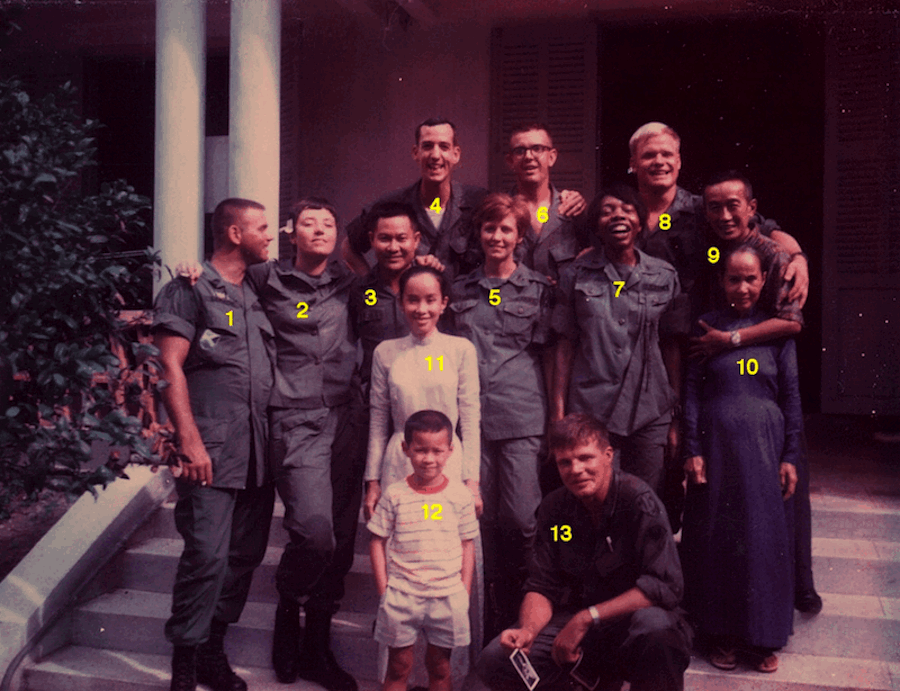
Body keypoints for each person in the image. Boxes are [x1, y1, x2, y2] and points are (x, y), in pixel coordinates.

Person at [153, 198, 277, 691]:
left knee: (244, 557)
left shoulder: (257, 290)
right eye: (262, 227)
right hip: (210, 449)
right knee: (206, 555)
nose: (271, 236)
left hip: (257, 452)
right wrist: (188, 440)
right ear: (233, 233)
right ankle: (184, 665)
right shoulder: (187, 289)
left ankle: (212, 652)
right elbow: (168, 366)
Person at [475, 413, 691, 691]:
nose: (576, 469)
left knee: (656, 630)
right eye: (565, 462)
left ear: (608, 455)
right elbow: (543, 584)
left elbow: (664, 586)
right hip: (579, 624)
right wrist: (527, 631)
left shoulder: (638, 501)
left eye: (585, 458)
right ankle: (593, 683)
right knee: (496, 660)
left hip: (629, 622)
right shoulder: (555, 509)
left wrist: (588, 617)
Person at [247, 198, 359, 691]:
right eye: (309, 223)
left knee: (341, 538)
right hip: (295, 418)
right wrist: (191, 271)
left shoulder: (351, 284)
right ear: (291, 233)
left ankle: (317, 646)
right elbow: (220, 283)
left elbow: (390, 292)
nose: (320, 230)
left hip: (348, 418)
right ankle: (288, 609)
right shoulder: (264, 279)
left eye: (328, 223)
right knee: (315, 533)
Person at [680, 245, 802, 673]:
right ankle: (721, 634)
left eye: (751, 278)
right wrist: (692, 450)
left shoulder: (775, 332)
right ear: (722, 281)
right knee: (718, 538)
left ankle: (763, 636)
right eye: (734, 278)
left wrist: (790, 456)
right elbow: (691, 393)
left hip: (764, 449)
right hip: (716, 448)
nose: (743, 287)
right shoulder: (706, 326)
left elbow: (791, 397)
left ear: (764, 281)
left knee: (762, 539)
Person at [448, 193, 553, 640]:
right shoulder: (460, 290)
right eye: (489, 228)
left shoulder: (540, 289)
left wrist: (555, 418)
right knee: (481, 520)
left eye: (506, 229)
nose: (497, 236)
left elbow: (551, 356)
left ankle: (529, 610)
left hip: (521, 415)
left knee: (521, 519)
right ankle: (489, 615)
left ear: (520, 236)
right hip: (470, 421)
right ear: (479, 233)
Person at [551, 185, 680, 498]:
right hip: (592, 410)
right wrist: (558, 412)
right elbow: (564, 346)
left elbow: (672, 347)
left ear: (640, 222)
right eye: (607, 211)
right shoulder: (576, 274)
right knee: (596, 497)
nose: (618, 216)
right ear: (596, 226)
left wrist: (675, 415)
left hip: (650, 410)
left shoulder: (664, 275)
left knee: (644, 500)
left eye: (627, 210)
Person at [368, 410, 480, 691]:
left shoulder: (460, 496)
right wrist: (384, 591)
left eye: (437, 451)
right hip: (402, 595)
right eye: (420, 450)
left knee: (440, 668)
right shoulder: (395, 494)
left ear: (450, 451)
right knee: (398, 667)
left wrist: (464, 592)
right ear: (405, 449)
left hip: (446, 596)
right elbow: (377, 540)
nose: (429, 459)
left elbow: (467, 544)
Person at [363, 264, 482, 517]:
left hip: (447, 461)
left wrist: (472, 481)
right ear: (401, 303)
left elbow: (471, 421)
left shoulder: (461, 350)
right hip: (400, 462)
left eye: (430, 300)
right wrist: (372, 482)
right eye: (413, 300)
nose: (422, 309)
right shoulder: (385, 352)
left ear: (443, 303)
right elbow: (378, 422)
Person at [342, 118, 489, 280]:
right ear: (415, 153)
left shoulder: (479, 203)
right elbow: (349, 247)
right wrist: (373, 284)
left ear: (456, 154)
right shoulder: (392, 205)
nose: (435, 155)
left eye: (444, 147)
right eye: (427, 146)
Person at [505, 123, 587, 284]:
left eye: (537, 149)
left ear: (552, 157)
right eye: (520, 151)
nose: (528, 157)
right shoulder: (500, 213)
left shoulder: (572, 209)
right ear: (510, 161)